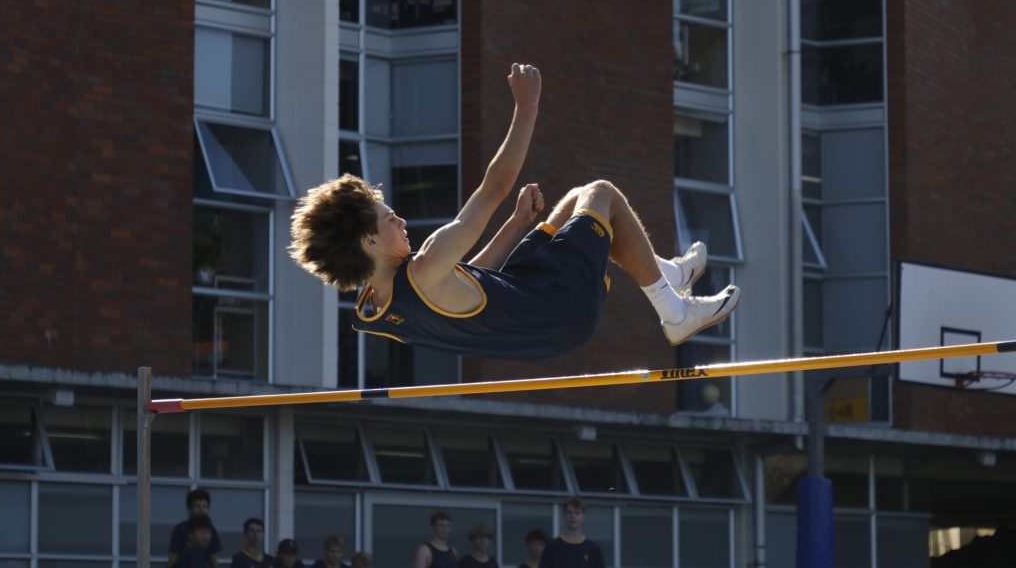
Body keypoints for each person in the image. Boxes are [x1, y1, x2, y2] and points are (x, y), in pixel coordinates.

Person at [288, 64, 739, 361]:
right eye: (389, 219)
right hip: (556, 310)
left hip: (533, 314)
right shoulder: (424, 266)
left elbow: (469, 281)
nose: (401, 221)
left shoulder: (372, 312)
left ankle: (665, 275)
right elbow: (493, 188)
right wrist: (527, 108)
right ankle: (674, 312)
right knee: (602, 194)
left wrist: (517, 224)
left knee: (571, 203)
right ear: (367, 240)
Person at [539, 498, 604, 568]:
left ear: (583, 517)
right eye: (569, 513)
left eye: (577, 513)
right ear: (564, 515)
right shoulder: (552, 547)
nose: (573, 516)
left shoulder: (593, 549)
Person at [168, 489, 222, 568]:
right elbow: (173, 558)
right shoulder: (180, 529)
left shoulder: (211, 529)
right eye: (197, 506)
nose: (202, 510)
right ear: (189, 510)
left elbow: (214, 559)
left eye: (205, 507)